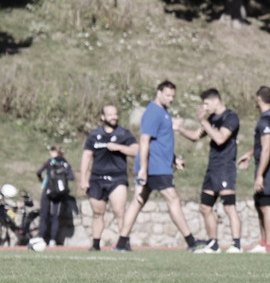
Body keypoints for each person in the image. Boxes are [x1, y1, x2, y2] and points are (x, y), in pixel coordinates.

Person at [114, 80, 200, 252]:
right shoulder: (153, 112)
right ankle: (191, 242)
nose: (171, 99)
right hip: (155, 167)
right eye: (168, 95)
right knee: (173, 199)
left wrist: (174, 159)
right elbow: (144, 141)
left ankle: (121, 243)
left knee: (137, 202)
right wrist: (144, 169)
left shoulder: (164, 113)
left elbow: (161, 142)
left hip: (160, 164)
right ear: (159, 93)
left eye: (173, 96)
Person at [175, 88, 243, 253]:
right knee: (205, 207)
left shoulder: (231, 117)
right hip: (212, 168)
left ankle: (236, 244)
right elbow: (196, 136)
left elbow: (220, 138)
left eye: (206, 103)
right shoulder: (212, 119)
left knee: (229, 207)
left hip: (225, 167)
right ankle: (213, 244)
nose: (204, 107)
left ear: (216, 101)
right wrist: (180, 129)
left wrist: (204, 121)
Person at [79, 104, 139, 251]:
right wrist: (83, 178)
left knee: (120, 212)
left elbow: (136, 150)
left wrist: (119, 148)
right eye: (110, 114)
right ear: (103, 117)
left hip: (117, 178)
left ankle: (124, 243)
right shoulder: (94, 135)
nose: (114, 117)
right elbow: (87, 155)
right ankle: (95, 244)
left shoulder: (123, 134)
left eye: (115, 114)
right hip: (97, 179)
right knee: (98, 213)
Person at [237, 85, 270, 253]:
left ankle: (269, 246)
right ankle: (263, 242)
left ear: (258, 99)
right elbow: (264, 145)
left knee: (266, 204)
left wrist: (260, 175)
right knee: (259, 202)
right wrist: (249, 154)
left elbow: (267, 148)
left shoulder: (266, 120)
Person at [35, 145, 75, 246]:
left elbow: (39, 172)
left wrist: (42, 180)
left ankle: (40, 237)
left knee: (44, 214)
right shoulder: (66, 164)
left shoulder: (49, 162)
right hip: (60, 193)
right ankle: (53, 239)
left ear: (55, 152)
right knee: (56, 216)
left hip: (48, 190)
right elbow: (71, 177)